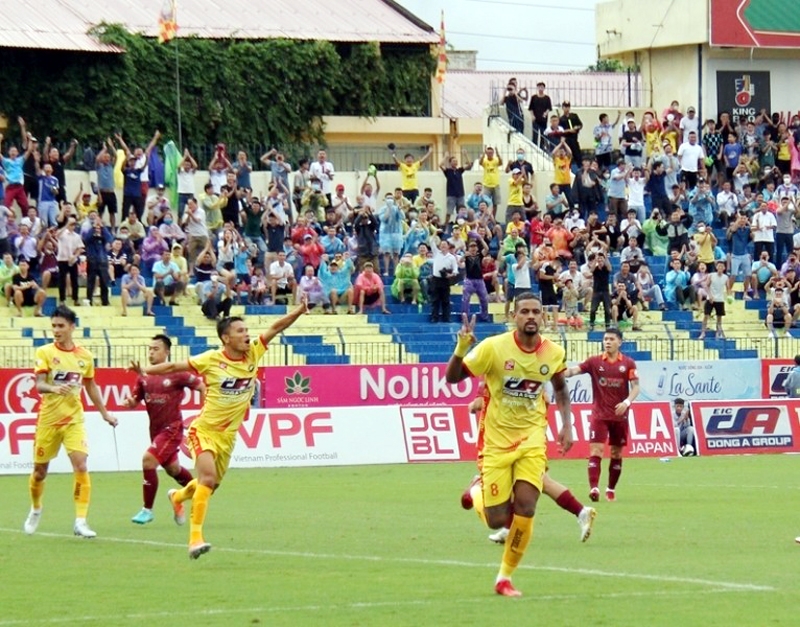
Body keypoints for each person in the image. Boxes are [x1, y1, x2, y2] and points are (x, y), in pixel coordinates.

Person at [130, 301, 308, 558]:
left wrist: (300, 311)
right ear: (226, 338)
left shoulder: (254, 352)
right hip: (204, 430)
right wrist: (145, 370)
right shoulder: (211, 359)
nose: (246, 335)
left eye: (246, 330)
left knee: (209, 486)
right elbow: (172, 367)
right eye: (239, 331)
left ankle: (178, 497)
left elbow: (276, 327)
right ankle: (195, 540)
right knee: (208, 479)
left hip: (227, 436)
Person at [445, 295, 573, 597]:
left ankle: (504, 578)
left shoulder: (554, 352)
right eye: (524, 311)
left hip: (532, 439)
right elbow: (452, 378)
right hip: (495, 442)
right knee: (497, 519)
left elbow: (561, 388)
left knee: (527, 506)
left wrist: (567, 425)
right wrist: (461, 348)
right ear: (513, 316)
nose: (531, 316)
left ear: (542, 317)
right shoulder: (493, 347)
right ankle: (477, 489)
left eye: (536, 312)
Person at [24, 305, 119, 538]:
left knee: (81, 465)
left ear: (72, 327)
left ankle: (80, 521)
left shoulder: (84, 356)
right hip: (48, 420)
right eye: (53, 326)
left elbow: (91, 385)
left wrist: (105, 413)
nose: (56, 330)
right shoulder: (45, 352)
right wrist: (55, 388)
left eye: (60, 326)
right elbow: (39, 385)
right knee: (39, 472)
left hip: (74, 419)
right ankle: (36, 508)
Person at [462, 384, 596, 545]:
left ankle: (477, 490)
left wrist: (472, 405)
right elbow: (545, 399)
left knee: (538, 482)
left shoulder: (495, 373)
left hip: (507, 440)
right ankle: (509, 527)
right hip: (528, 436)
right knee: (538, 482)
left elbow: (481, 402)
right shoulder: (529, 372)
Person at [124, 335, 206, 525]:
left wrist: (203, 413)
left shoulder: (177, 373)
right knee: (173, 469)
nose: (151, 352)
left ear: (166, 352)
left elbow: (202, 386)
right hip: (155, 430)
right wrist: (130, 402)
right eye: (150, 349)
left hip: (172, 428)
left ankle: (147, 510)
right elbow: (135, 401)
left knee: (148, 460)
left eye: (156, 349)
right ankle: (191, 496)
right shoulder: (143, 377)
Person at [564, 327, 639, 502]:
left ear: (620, 342)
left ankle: (610, 489)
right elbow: (575, 370)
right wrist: (562, 372)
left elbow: (636, 387)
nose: (607, 342)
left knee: (616, 453)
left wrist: (626, 402)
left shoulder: (628, 363)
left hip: (620, 416)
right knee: (596, 450)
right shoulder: (595, 362)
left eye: (611, 339)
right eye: (605, 339)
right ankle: (594, 488)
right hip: (600, 415)